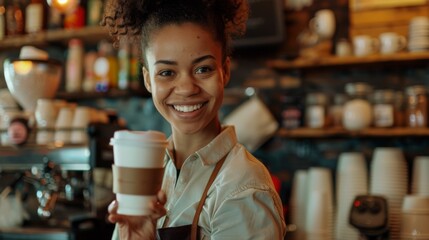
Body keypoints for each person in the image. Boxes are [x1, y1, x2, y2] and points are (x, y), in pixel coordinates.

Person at [101, 0, 286, 239]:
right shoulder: (151, 172)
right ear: (148, 80)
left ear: (225, 71)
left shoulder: (243, 188)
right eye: (166, 73)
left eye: (203, 69)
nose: (187, 88)